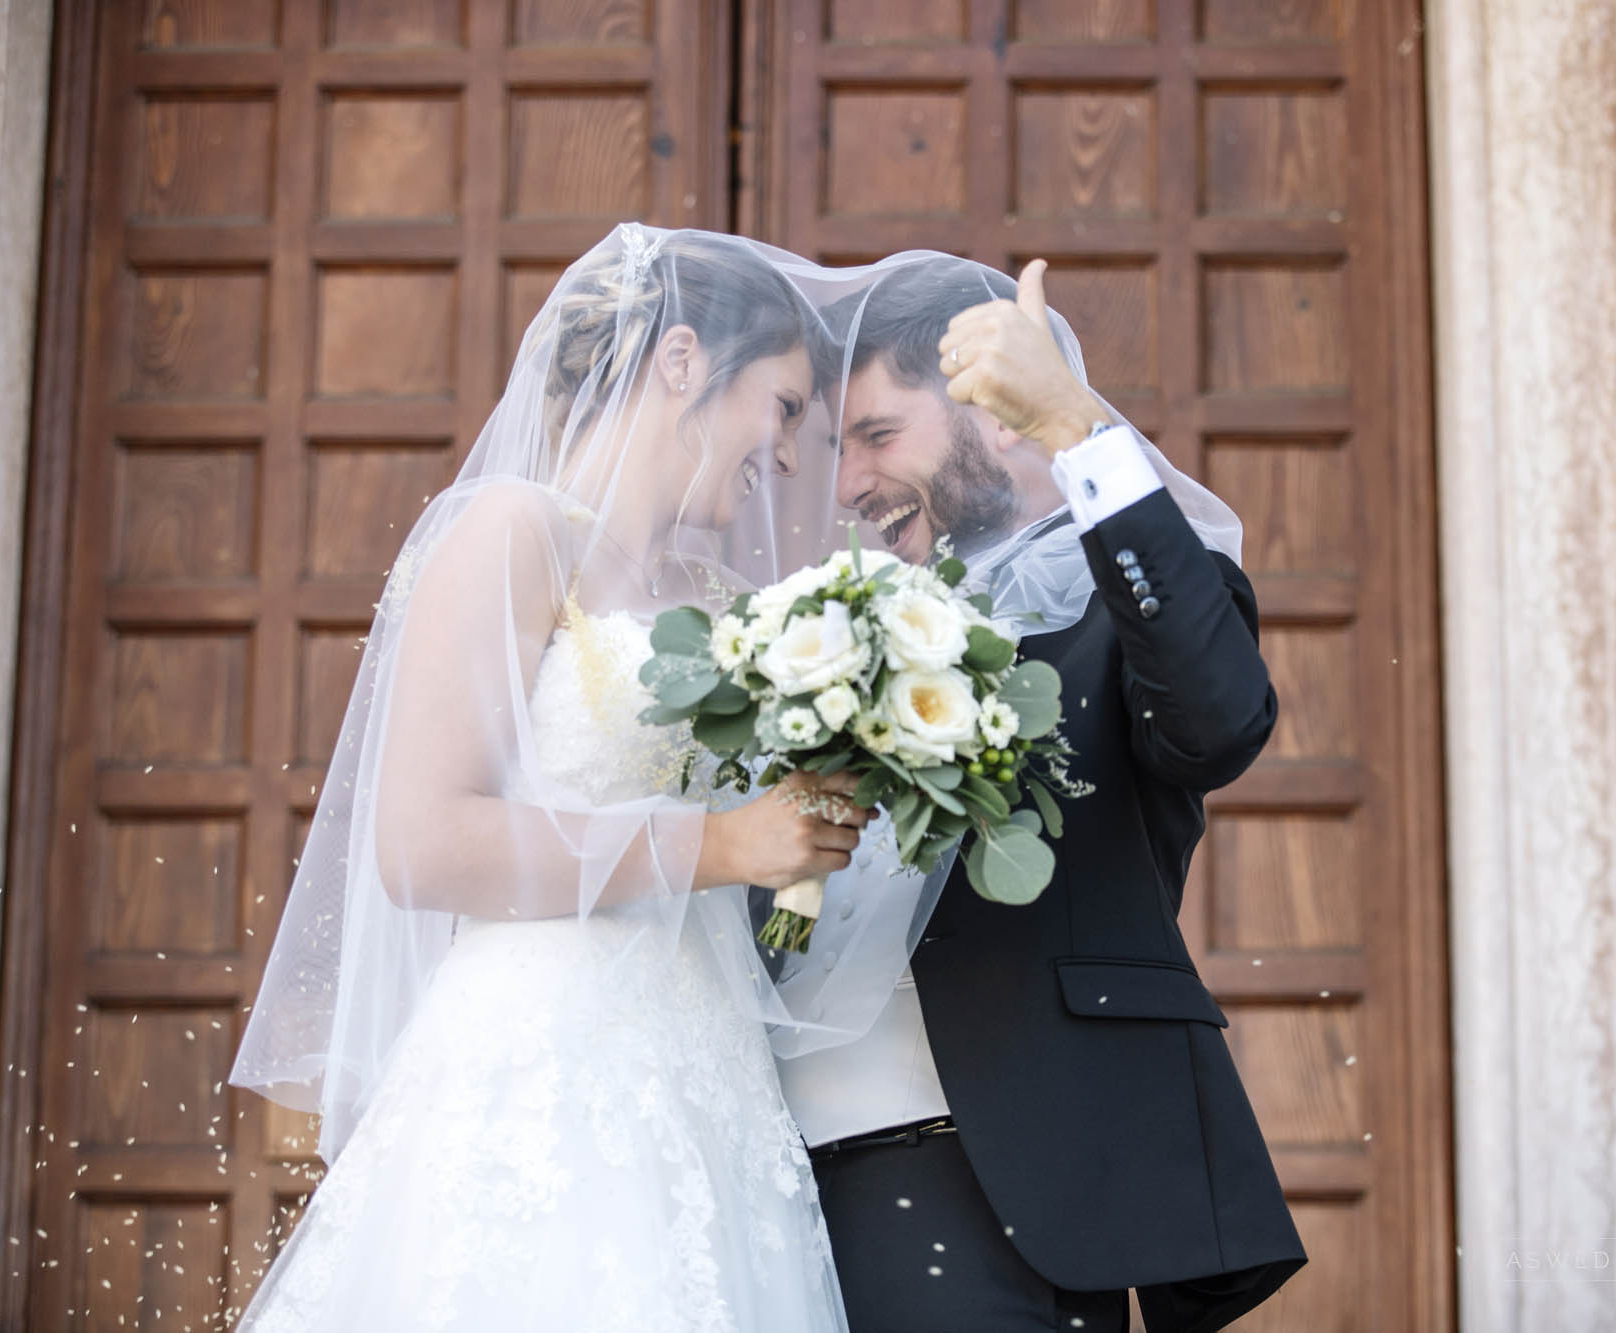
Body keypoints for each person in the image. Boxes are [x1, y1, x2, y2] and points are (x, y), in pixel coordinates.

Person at [230, 226, 915, 1331]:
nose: (788, 457)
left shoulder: (712, 600)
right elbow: (421, 844)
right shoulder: (514, 533)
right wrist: (722, 845)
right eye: (783, 408)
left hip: (707, 1078)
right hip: (546, 1066)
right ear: (681, 358)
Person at [773, 255, 1305, 1332]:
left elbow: (1218, 719)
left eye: (877, 436)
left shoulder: (1127, 602)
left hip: (994, 1186)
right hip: (767, 1198)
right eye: (839, 448)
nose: (848, 484)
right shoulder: (828, 631)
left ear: (995, 417)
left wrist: (1075, 423)